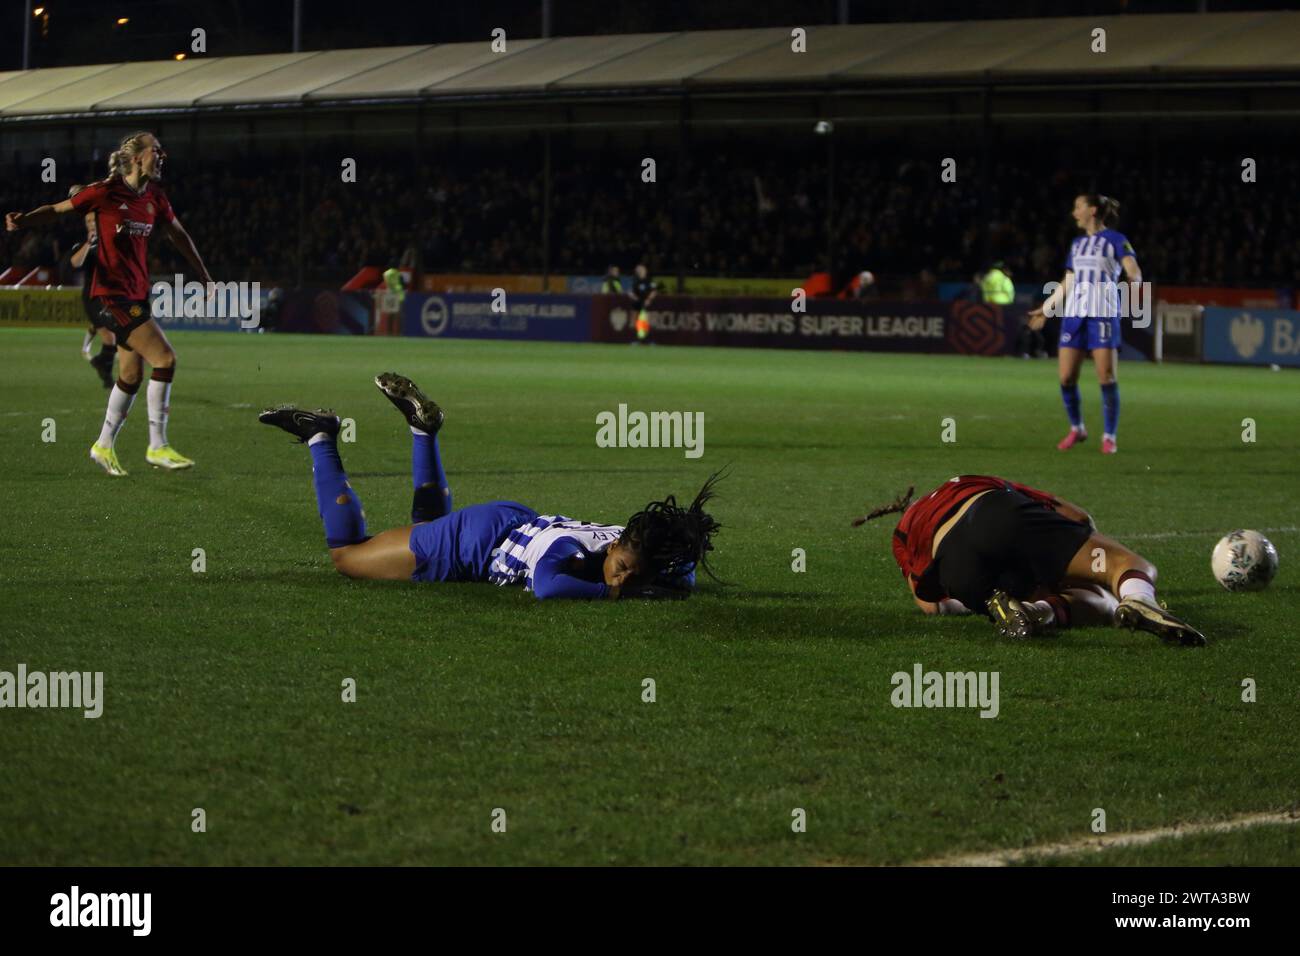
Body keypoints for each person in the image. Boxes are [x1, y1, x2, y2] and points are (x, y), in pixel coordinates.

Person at [258, 373, 722, 600]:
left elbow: (683, 573)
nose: (621, 576)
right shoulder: (571, 553)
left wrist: (660, 578)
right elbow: (547, 588)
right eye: (621, 566)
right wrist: (616, 594)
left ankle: (423, 431)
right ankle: (319, 433)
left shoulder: (637, 543)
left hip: (508, 520)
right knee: (347, 557)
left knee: (430, 525)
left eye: (630, 574)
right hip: (477, 541)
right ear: (617, 543)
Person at [5, 131, 213, 476]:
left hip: (135, 295)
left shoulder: (155, 198)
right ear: (137, 158)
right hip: (108, 297)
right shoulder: (105, 191)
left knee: (131, 374)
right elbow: (57, 210)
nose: (163, 156)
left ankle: (103, 445)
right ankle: (157, 446)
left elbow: (178, 234)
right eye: (156, 151)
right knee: (165, 358)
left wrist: (203, 273)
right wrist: (24, 219)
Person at [855, 475, 1205, 646]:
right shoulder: (966, 481)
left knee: (1088, 599)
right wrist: (1083, 553)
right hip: (993, 514)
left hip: (958, 571)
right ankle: (1141, 599)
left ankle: (1032, 611)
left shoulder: (903, 534)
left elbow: (929, 603)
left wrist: (968, 598)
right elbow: (1077, 516)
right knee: (1117, 572)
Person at [1026, 194, 1139, 454]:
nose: (1074, 212)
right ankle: (1077, 428)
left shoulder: (1116, 240)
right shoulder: (1077, 244)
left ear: (1093, 210)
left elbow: (1133, 270)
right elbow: (1068, 281)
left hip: (1102, 314)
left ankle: (1109, 436)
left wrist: (1133, 279)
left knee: (1106, 376)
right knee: (1066, 377)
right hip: (1074, 314)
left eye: (1078, 207)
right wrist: (1047, 307)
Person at [67, 185, 117, 388]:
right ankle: (105, 369)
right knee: (108, 335)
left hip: (109, 295)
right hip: (92, 297)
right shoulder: (82, 246)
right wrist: (88, 244)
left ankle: (104, 368)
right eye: (88, 221)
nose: (91, 224)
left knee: (112, 337)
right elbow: (75, 263)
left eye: (93, 220)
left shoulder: (108, 242)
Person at [627, 262, 658, 343]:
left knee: (645, 322)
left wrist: (648, 299)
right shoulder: (634, 280)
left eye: (641, 269)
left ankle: (647, 340)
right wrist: (633, 297)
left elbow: (654, 291)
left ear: (645, 270)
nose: (640, 271)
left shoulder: (649, 280)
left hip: (645, 303)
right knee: (633, 321)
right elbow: (630, 292)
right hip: (636, 303)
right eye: (638, 269)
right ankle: (634, 339)